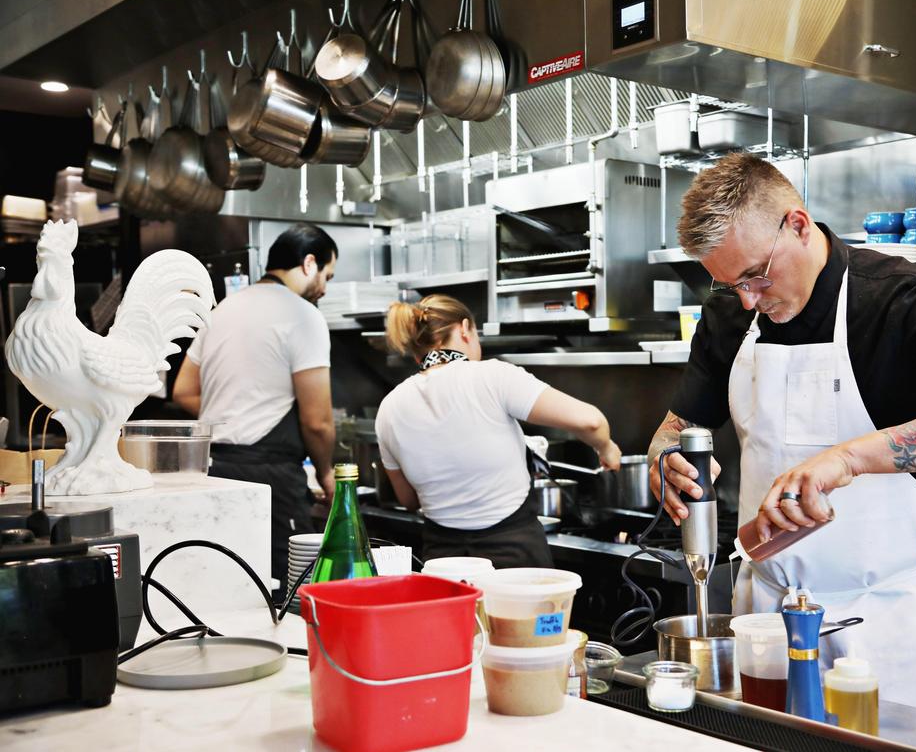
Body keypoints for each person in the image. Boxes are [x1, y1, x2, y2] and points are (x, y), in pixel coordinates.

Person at [647, 154, 916, 716]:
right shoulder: (728, 316)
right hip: (767, 617)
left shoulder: (900, 297)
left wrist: (850, 459)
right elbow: (676, 428)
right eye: (728, 282)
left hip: (886, 622)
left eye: (756, 275)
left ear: (797, 223)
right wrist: (666, 456)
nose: (746, 299)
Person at [375, 294, 622, 569]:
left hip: (443, 563)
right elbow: (591, 422)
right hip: (513, 557)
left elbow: (408, 500)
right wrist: (606, 448)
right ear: (465, 329)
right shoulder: (492, 377)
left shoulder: (389, 408)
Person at [173, 223, 339, 599]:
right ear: (309, 263)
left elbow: (183, 391)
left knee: (225, 589)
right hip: (270, 480)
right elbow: (318, 421)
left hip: (213, 470)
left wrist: (232, 410)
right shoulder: (303, 315)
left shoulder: (224, 309)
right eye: (327, 275)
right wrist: (327, 475)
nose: (325, 288)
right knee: (287, 592)